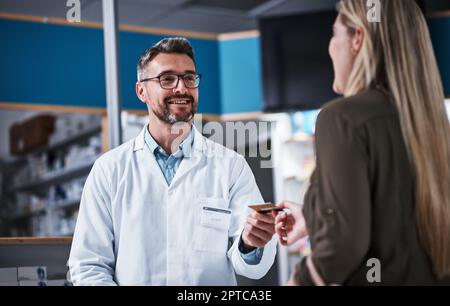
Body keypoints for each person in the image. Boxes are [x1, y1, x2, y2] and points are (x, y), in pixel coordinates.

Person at [68, 37, 277, 285]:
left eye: (189, 78)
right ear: (141, 91)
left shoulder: (230, 166)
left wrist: (250, 243)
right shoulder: (109, 170)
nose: (181, 88)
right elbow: (88, 265)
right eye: (167, 79)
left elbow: (254, 265)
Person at [274, 0, 450, 285]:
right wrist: (314, 216)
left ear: (358, 38)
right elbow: (395, 215)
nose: (330, 47)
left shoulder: (340, 118)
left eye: (334, 34)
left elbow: (341, 248)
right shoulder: (432, 125)